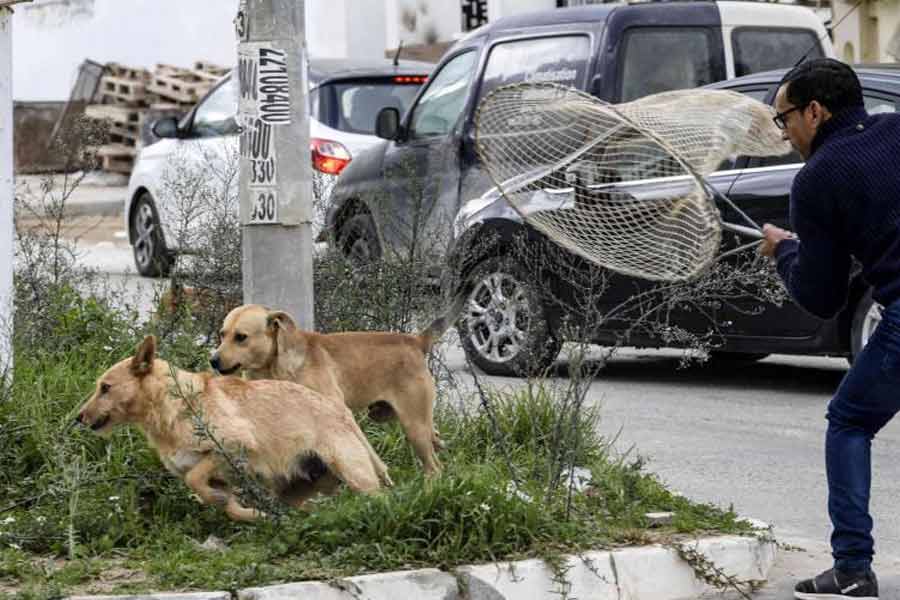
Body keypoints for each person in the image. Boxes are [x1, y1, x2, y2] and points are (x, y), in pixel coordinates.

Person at [760, 57, 900, 600]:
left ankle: (851, 569)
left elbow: (822, 298)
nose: (784, 132)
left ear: (814, 111)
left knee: (848, 421)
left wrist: (785, 250)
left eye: (784, 118)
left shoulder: (817, 177)